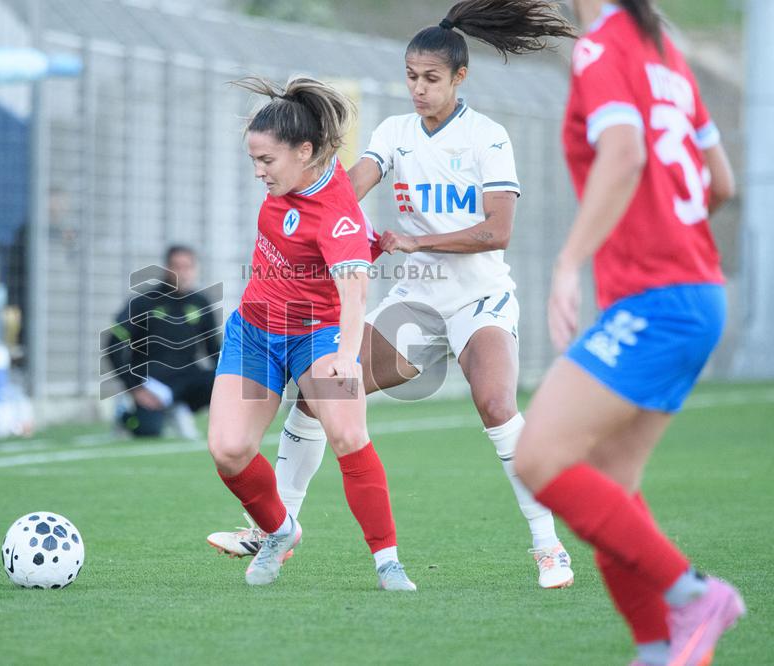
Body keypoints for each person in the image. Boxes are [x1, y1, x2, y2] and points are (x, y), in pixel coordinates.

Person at [207, 0, 578, 589]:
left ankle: (548, 544)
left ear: (460, 77)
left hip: (478, 299)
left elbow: (497, 231)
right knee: (317, 392)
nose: (418, 89)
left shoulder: (488, 137)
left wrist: (407, 237)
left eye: (431, 78)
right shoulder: (394, 132)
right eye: (411, 76)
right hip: (413, 305)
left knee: (496, 407)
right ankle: (276, 528)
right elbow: (346, 194)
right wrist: (319, 203)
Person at [510, 2, 743, 665]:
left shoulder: (600, 47)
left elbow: (626, 154)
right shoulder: (664, 45)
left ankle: (692, 594)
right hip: (697, 292)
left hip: (657, 300)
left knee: (539, 459)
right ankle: (658, 647)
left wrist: (569, 261)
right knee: (610, 484)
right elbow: (719, 182)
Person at [209, 75, 416, 591]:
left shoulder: (338, 215)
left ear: (304, 152)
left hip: (316, 334)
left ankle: (388, 562)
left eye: (266, 162)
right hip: (255, 331)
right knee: (229, 451)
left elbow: (354, 296)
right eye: (253, 160)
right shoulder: (291, 180)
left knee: (347, 433)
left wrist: (348, 354)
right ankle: (281, 532)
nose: (258, 172)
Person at [104, 245, 220, 438]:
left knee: (222, 381)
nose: (183, 273)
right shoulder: (144, 302)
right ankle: (125, 416)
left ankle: (180, 408)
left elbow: (214, 350)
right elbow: (113, 344)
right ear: (167, 269)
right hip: (152, 382)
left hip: (186, 377)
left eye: (188, 267)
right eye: (177, 267)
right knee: (148, 431)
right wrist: (134, 388)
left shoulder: (201, 303)